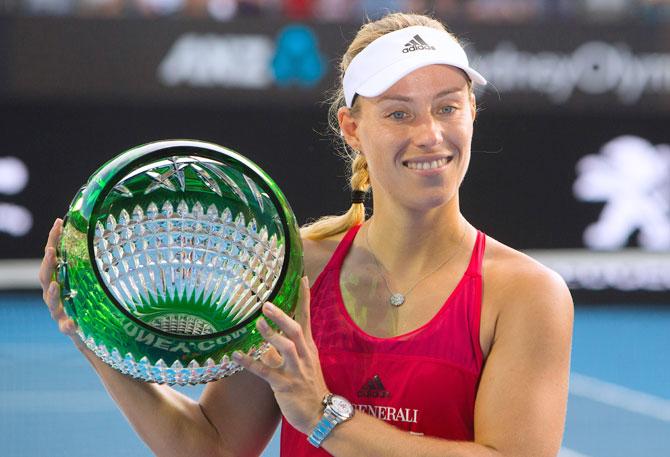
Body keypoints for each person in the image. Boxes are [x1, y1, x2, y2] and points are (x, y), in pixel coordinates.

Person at [40, 12, 573, 457]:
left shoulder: (527, 295)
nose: (430, 134)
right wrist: (95, 336)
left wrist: (324, 416)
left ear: (473, 113)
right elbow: (213, 446)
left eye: (447, 107)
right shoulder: (298, 270)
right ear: (352, 129)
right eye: (398, 113)